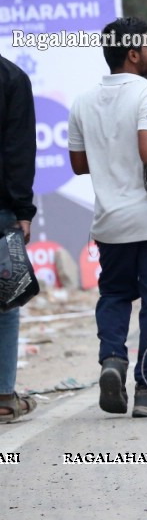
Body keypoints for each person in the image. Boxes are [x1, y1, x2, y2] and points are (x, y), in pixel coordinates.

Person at [67, 16, 147, 417]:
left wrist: (110, 158)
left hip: (110, 223)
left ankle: (112, 360)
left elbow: (78, 163)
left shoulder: (83, 101)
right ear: (135, 53)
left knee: (115, 294)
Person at [0, 56, 36, 424]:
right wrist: (22, 210)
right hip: (1, 210)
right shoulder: (11, 77)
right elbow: (18, 151)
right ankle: (3, 395)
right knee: (5, 302)